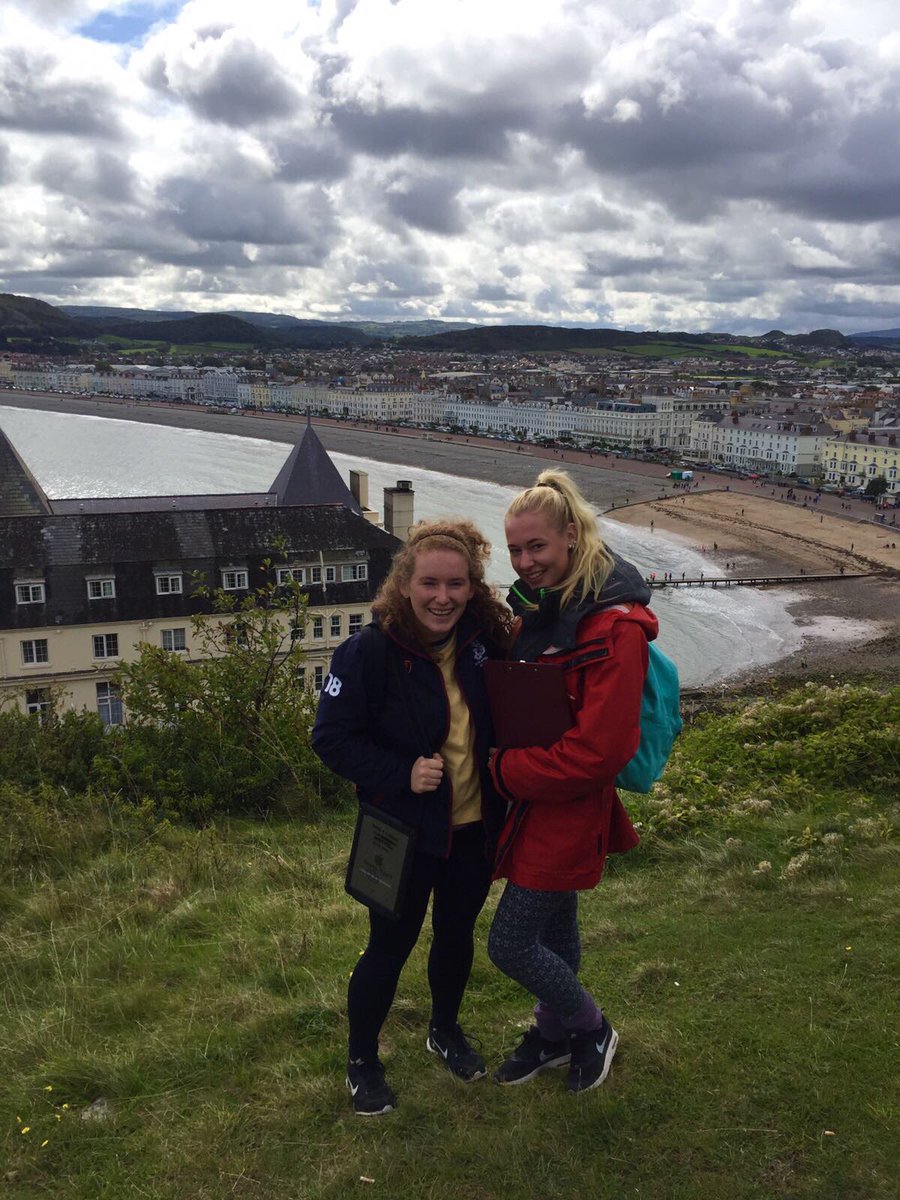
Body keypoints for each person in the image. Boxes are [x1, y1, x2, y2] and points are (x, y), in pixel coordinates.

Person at [312, 518, 512, 1116]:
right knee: (388, 948)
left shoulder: (487, 640)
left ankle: (444, 1030)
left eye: (456, 584)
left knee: (455, 938)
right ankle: (362, 1061)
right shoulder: (368, 650)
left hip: (474, 829)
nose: (442, 597)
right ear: (405, 584)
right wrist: (401, 773)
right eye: (429, 583)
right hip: (400, 832)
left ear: (472, 586)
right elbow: (330, 739)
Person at [486, 469, 657, 1094]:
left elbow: (599, 751)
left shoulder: (616, 628)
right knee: (556, 931)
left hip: (564, 805)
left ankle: (590, 1028)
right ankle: (553, 1034)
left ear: (572, 539)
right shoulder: (545, 609)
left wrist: (504, 770)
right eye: (514, 549)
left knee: (508, 944)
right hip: (534, 803)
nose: (525, 562)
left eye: (537, 547)